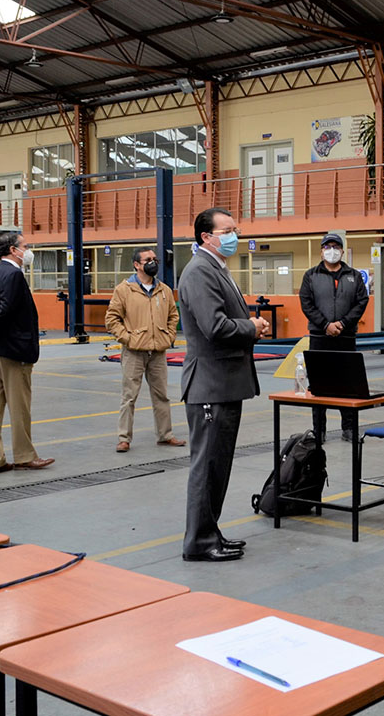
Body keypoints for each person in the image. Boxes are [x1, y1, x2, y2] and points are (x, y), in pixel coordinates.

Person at [179, 207, 268, 562]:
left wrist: (248, 325)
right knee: (207, 466)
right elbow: (214, 327)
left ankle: (209, 531)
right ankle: (199, 542)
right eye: (228, 229)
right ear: (206, 237)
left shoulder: (215, 267)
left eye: (235, 228)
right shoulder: (200, 271)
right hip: (210, 386)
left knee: (218, 466)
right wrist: (252, 327)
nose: (235, 234)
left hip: (224, 384)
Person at [0, 232, 54, 475]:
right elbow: (6, 312)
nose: (27, 251)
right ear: (12, 249)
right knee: (19, 407)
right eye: (25, 246)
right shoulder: (14, 275)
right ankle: (24, 455)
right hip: (12, 351)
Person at [105, 246, 184, 452]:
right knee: (129, 397)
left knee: (162, 395)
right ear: (136, 265)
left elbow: (173, 316)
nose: (153, 262)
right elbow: (112, 319)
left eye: (155, 259)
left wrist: (168, 336)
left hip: (158, 352)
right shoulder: (124, 290)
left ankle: (165, 435)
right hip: (133, 352)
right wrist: (128, 339)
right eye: (148, 259)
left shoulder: (164, 290)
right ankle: (124, 438)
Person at [298, 232, 368, 442]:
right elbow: (306, 303)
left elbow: (361, 302)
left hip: (346, 338)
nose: (331, 251)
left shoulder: (353, 276)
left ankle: (349, 429)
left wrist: (344, 323)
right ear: (321, 251)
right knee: (319, 385)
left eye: (335, 247)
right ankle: (319, 431)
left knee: (348, 384)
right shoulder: (311, 276)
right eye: (327, 247)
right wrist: (325, 325)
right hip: (319, 337)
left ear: (342, 250)